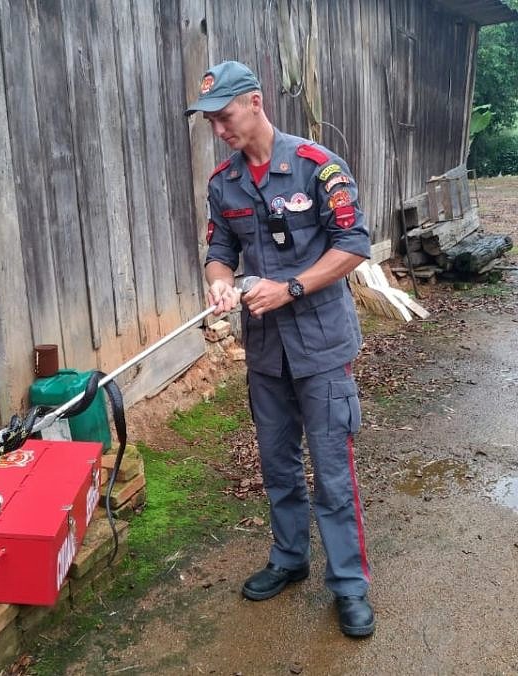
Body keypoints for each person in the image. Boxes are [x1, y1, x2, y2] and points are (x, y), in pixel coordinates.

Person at [185, 61, 374, 637]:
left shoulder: (318, 168)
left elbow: (353, 245)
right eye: (211, 123)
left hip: (320, 346)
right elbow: (220, 249)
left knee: (333, 473)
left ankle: (349, 584)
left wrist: (291, 287)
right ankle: (290, 559)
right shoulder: (224, 183)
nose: (220, 131)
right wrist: (220, 280)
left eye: (224, 118)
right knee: (278, 466)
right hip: (266, 351)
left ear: (256, 103)